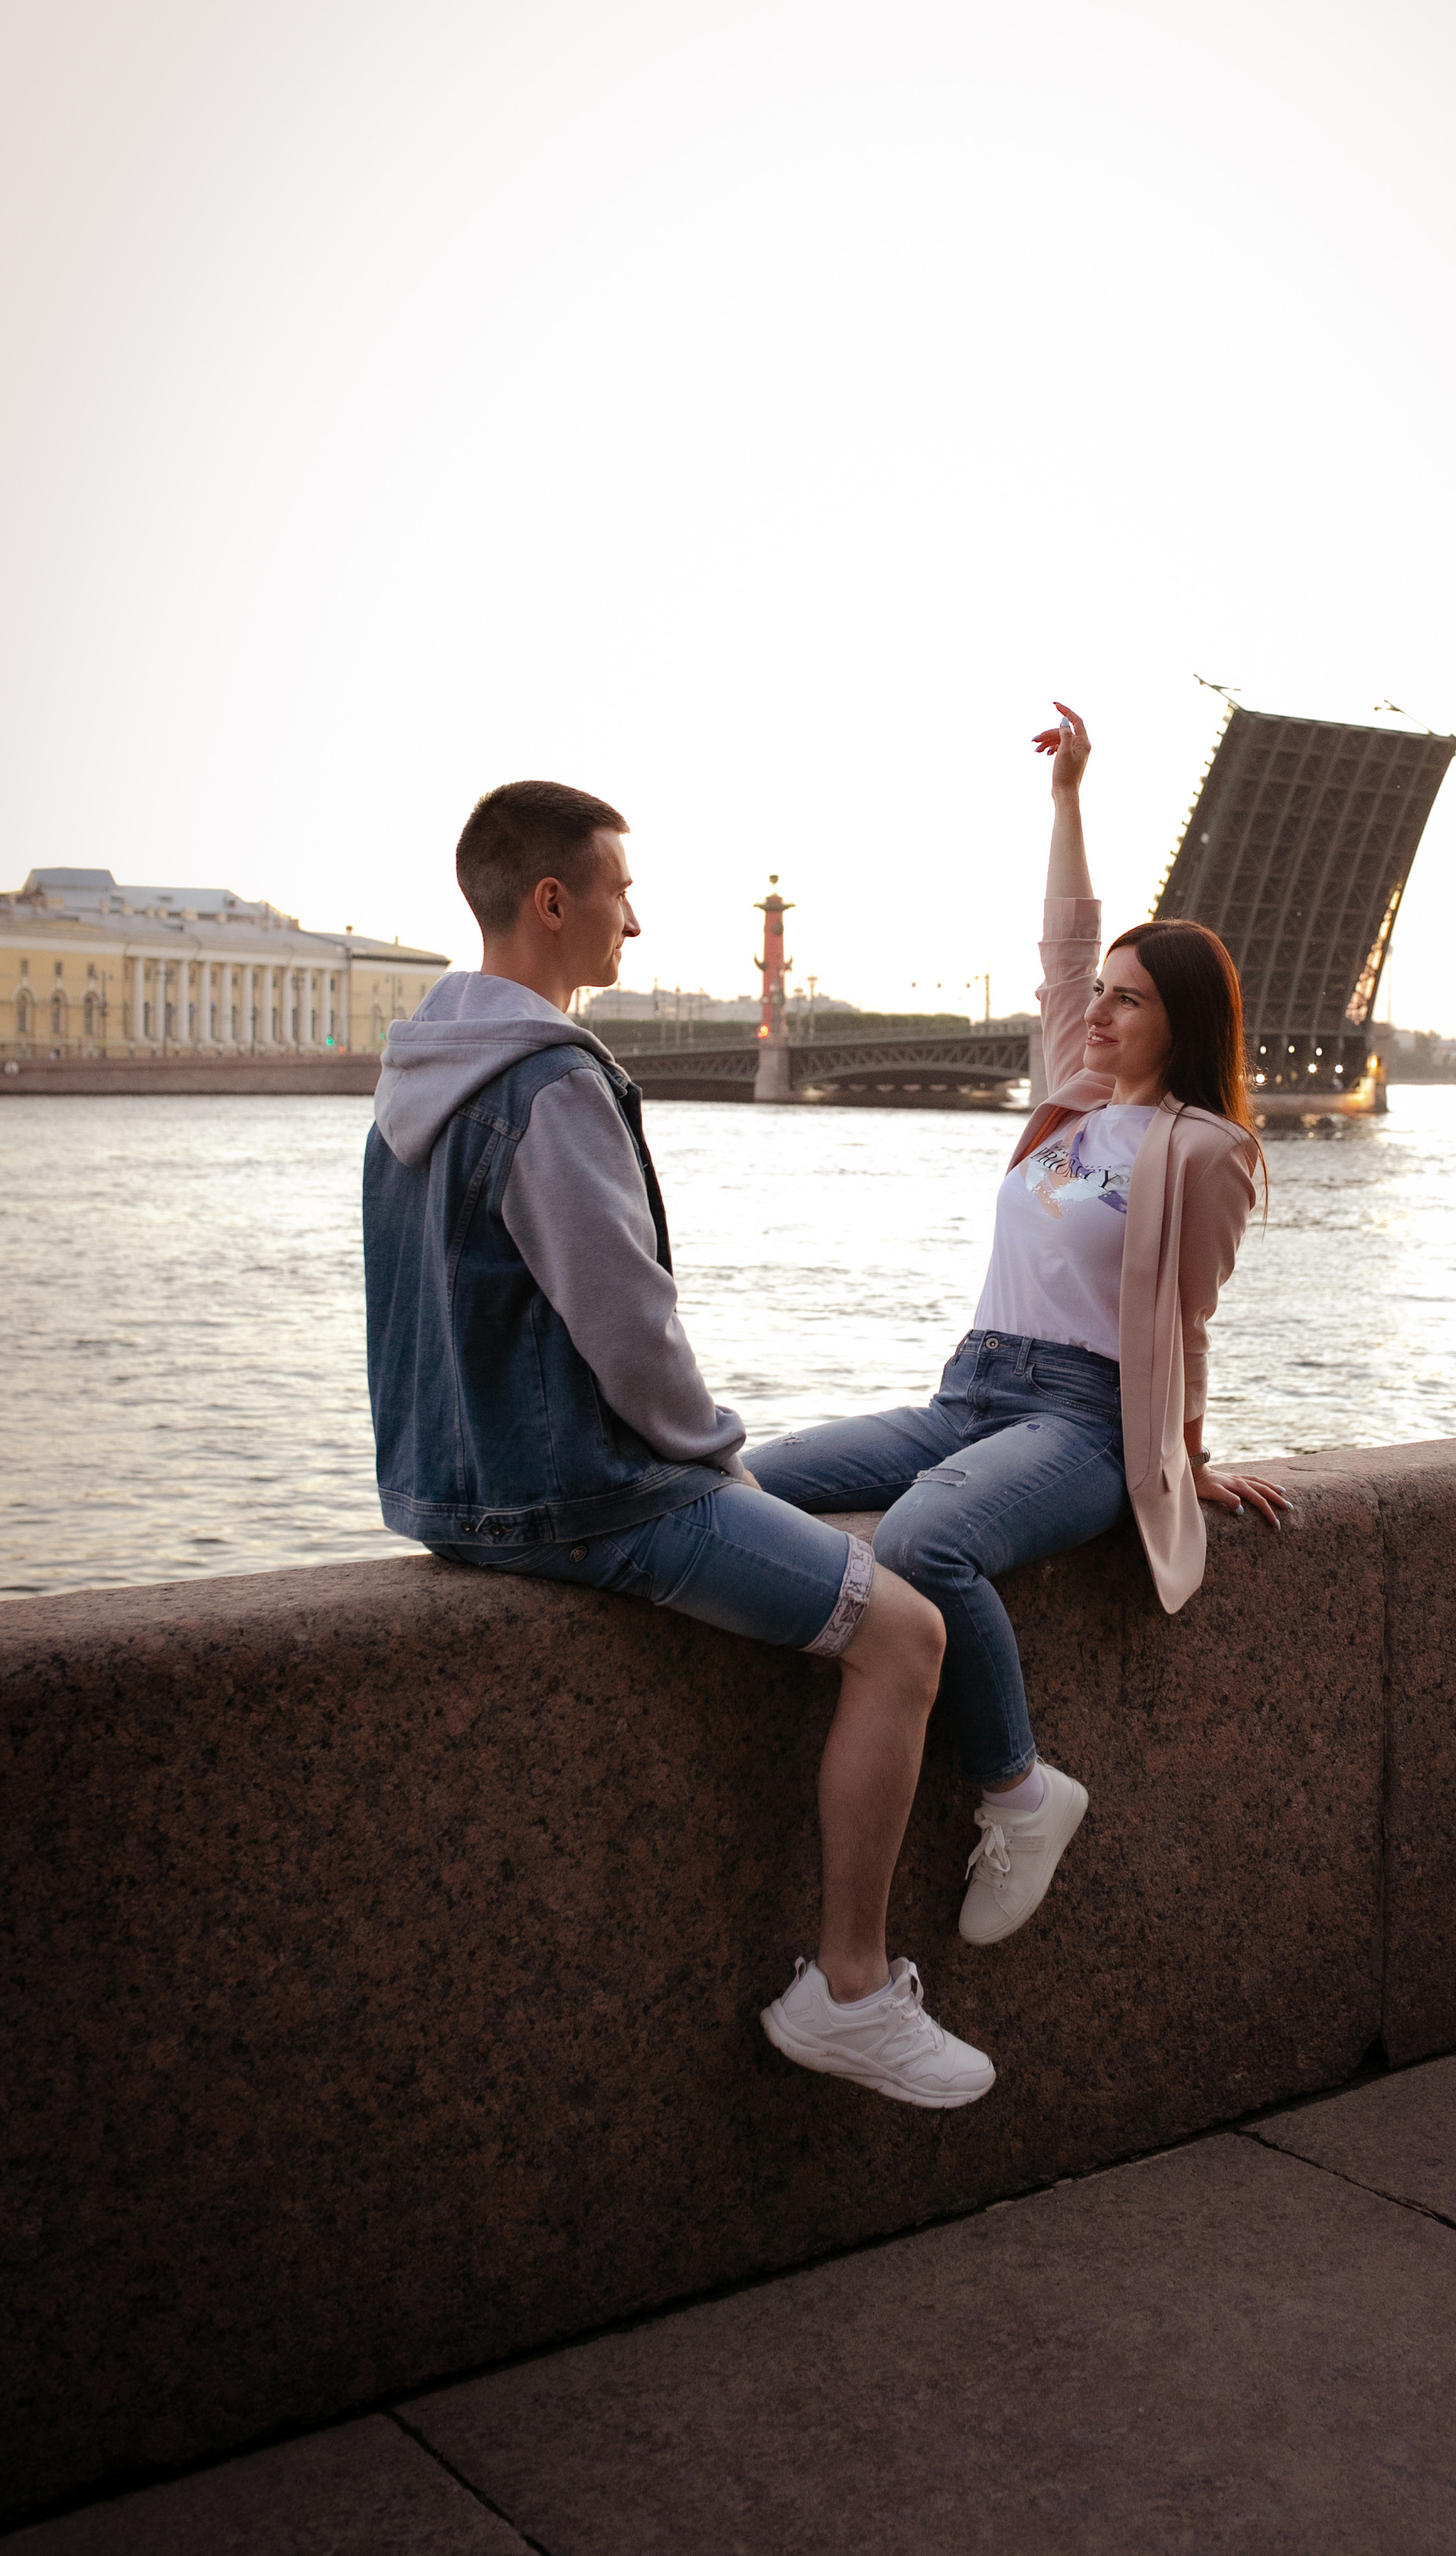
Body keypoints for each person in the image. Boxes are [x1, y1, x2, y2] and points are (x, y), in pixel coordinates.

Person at [361, 778, 995, 2109]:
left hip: (443, 1495)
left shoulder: (413, 1079)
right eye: (618, 893)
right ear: (551, 901)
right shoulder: (546, 1081)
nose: (633, 925)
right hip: (584, 1499)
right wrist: (716, 1459)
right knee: (908, 1635)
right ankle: (852, 1989)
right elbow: (627, 1326)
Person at [749, 704, 1288, 1944]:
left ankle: (1020, 1788)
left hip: (1085, 1421)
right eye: (1097, 1000)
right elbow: (1063, 945)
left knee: (928, 1542)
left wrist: (1186, 1463)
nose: (1096, 1014)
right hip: (971, 1391)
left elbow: (1187, 1321)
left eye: (1128, 1004)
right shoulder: (1073, 1097)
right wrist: (1068, 801)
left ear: (1184, 1023)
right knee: (754, 1483)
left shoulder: (1209, 1152)